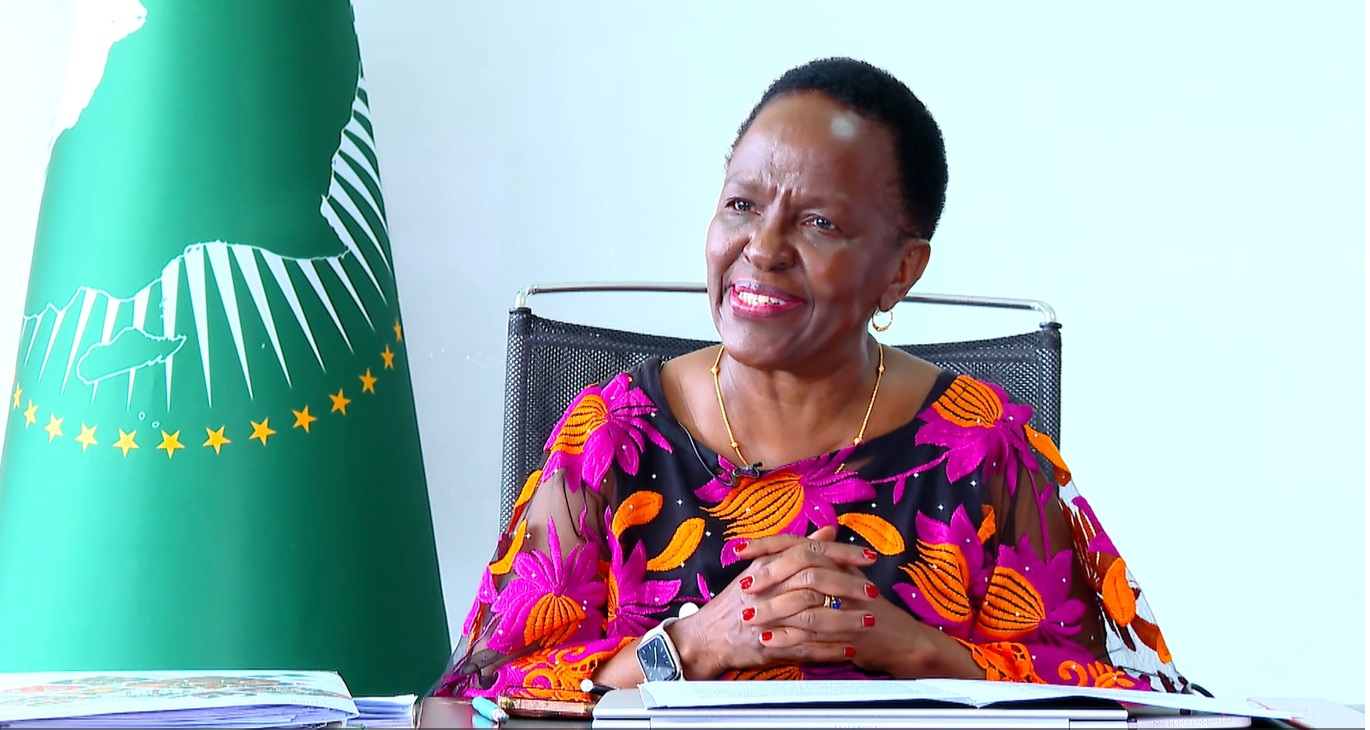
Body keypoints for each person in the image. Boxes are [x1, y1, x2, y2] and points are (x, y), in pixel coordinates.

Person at [433, 56, 1190, 699]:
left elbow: (1116, 696)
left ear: (900, 271)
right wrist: (690, 646)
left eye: (819, 223)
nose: (762, 248)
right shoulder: (611, 438)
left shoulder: (987, 450)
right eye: (741, 204)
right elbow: (478, 696)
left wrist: (918, 650)